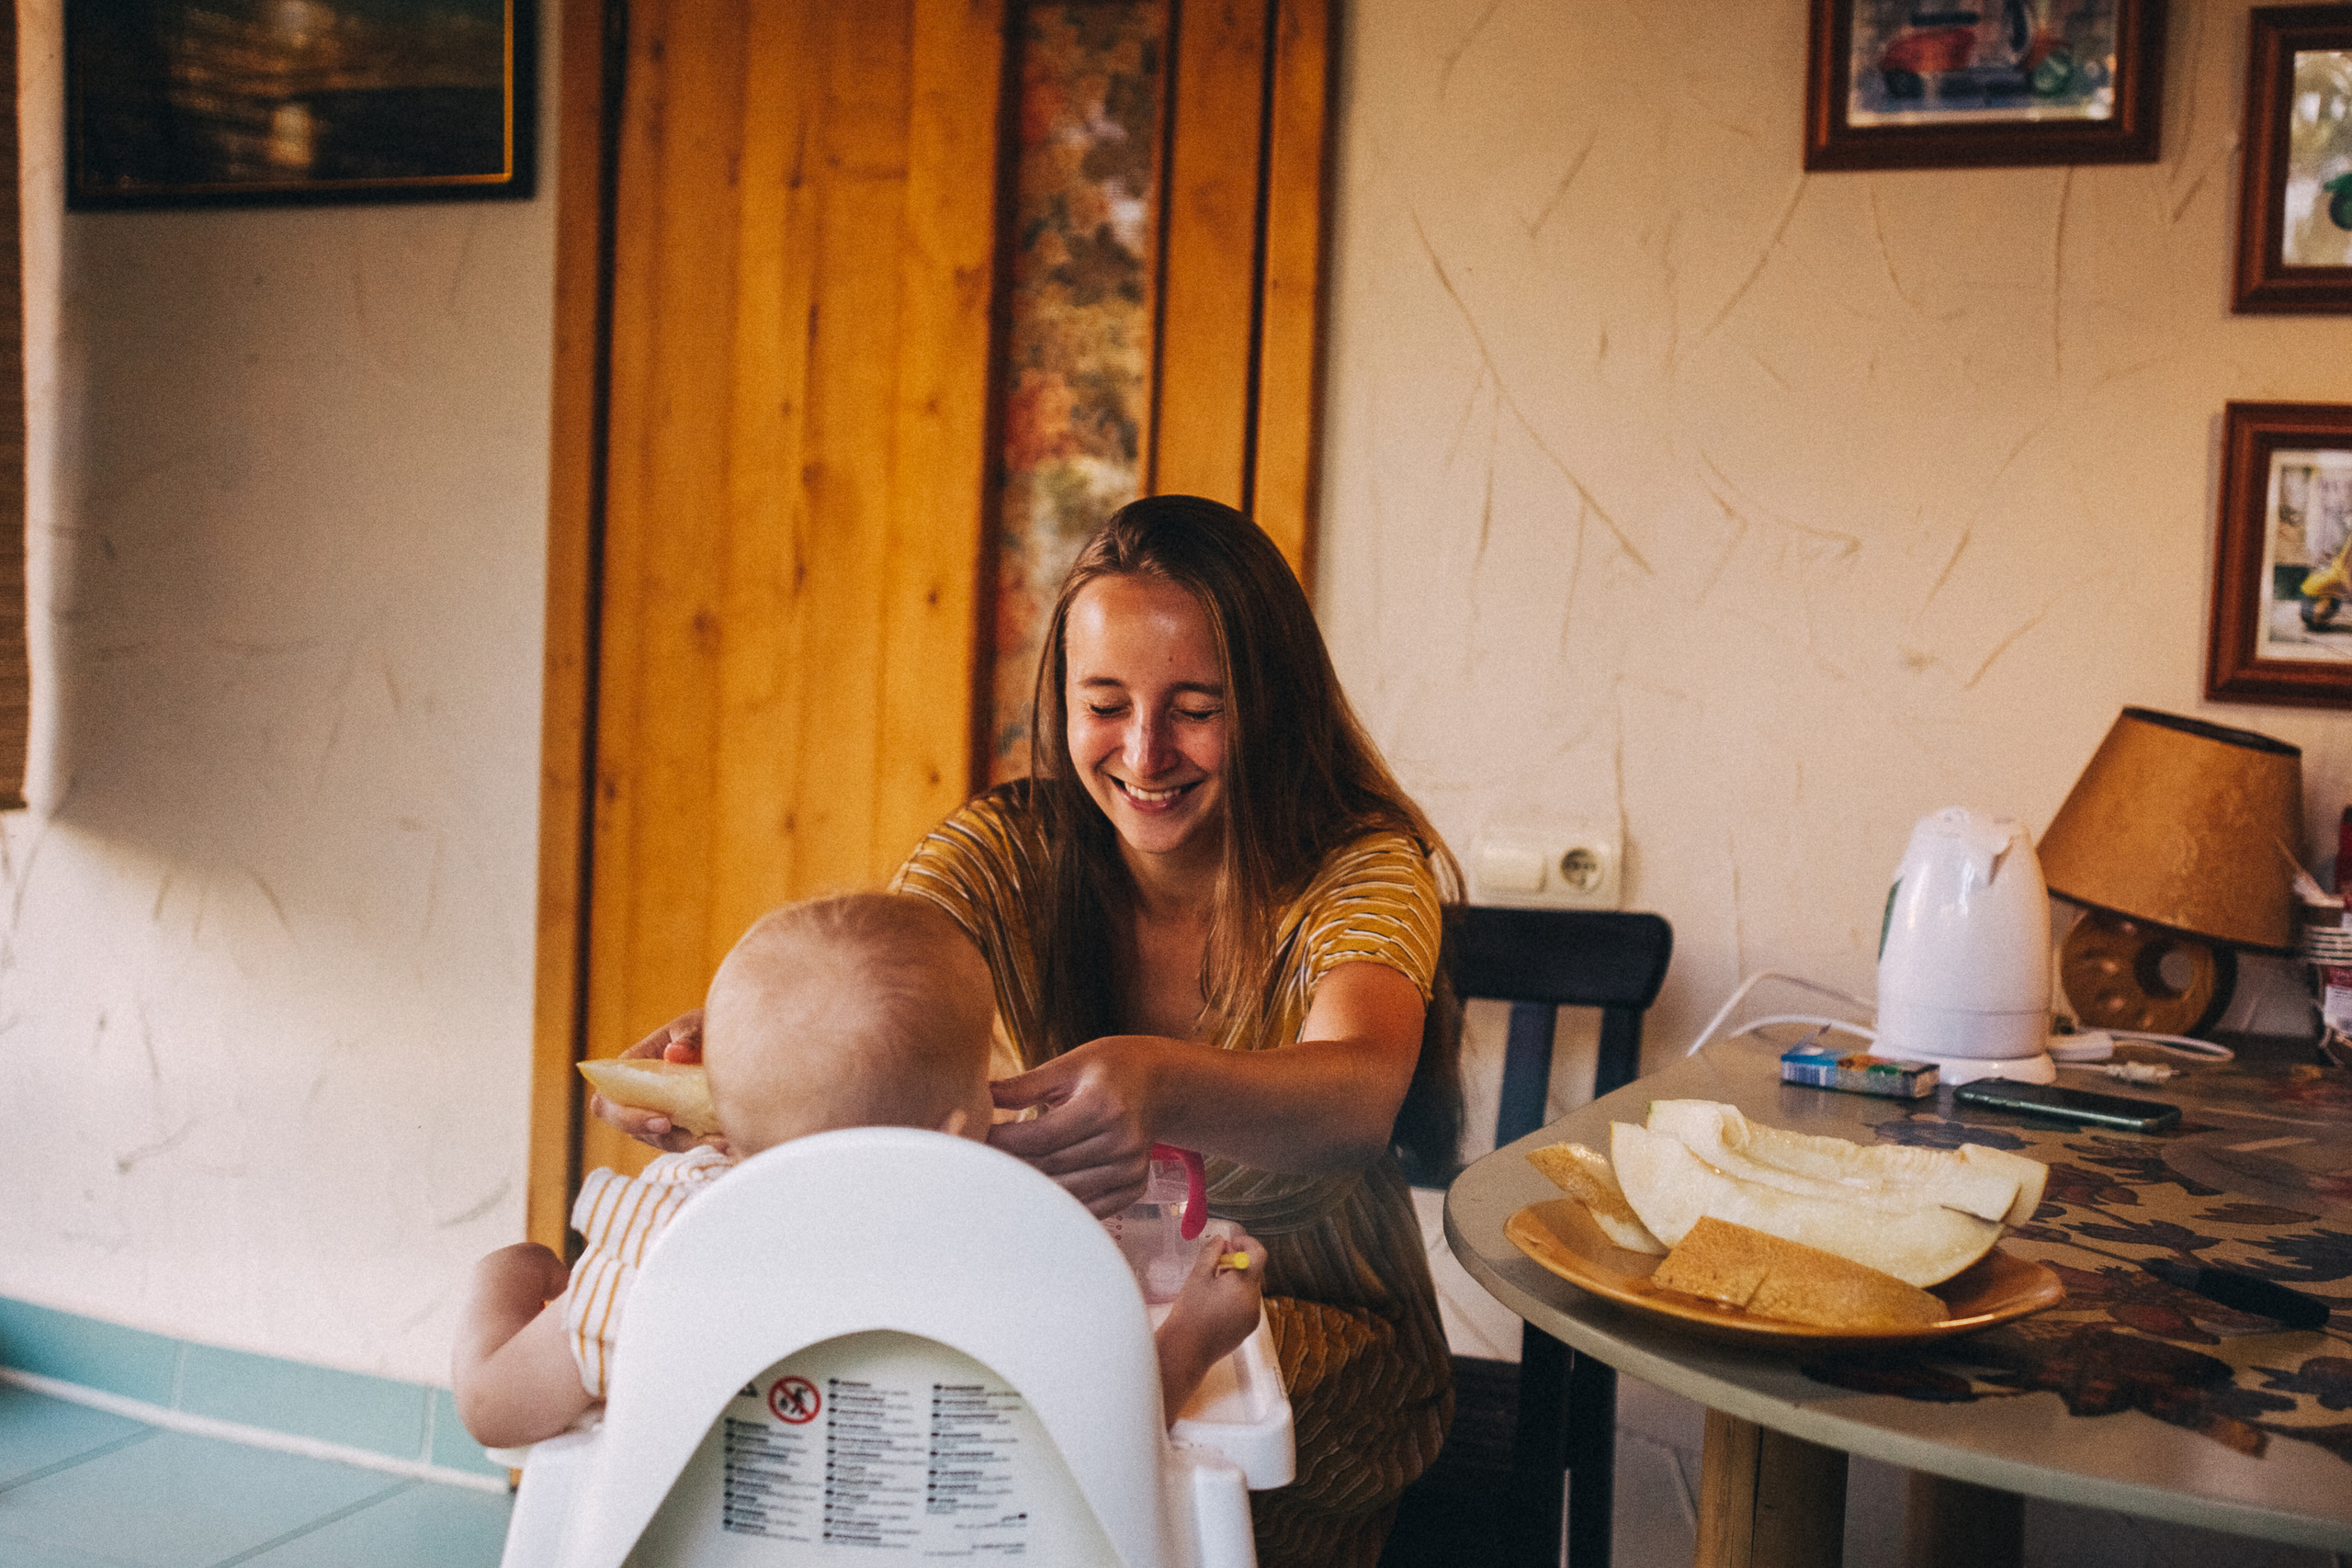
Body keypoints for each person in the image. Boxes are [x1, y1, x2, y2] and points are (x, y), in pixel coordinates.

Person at [595, 497, 1464, 1567]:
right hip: (1048, 1310)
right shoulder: (1004, 849)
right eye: (1105, 704)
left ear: (1272, 706)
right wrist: (730, 1058)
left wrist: (1160, 1084)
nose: (1145, 753)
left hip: (1317, 1331)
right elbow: (870, 1001)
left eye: (1196, 707)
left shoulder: (1361, 867)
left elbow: (1360, 1092)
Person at [459, 892, 1267, 1450]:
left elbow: (493, 1406)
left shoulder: (663, 1247)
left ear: (722, 1120)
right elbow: (1112, 1436)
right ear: (957, 1128)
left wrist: (512, 1271)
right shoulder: (1029, 1256)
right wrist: (1194, 1336)